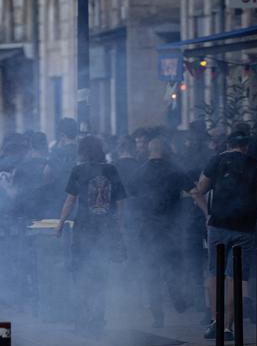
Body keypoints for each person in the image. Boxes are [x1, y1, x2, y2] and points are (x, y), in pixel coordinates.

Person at [190, 130, 257, 340]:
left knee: (215, 273)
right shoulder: (254, 164)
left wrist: (207, 213)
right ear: (246, 146)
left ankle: (215, 321)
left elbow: (197, 191)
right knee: (236, 277)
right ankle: (227, 326)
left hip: (218, 225)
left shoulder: (216, 161)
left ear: (227, 144)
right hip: (245, 227)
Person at [55, 135, 127, 335]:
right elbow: (120, 201)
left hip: (85, 228)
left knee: (82, 272)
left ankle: (85, 316)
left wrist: (61, 222)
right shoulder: (111, 169)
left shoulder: (78, 170)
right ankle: (98, 316)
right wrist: (120, 226)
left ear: (83, 151)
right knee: (101, 273)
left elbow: (70, 200)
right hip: (106, 228)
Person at [132, 137, 189, 327]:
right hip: (170, 229)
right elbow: (195, 191)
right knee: (172, 267)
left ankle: (158, 317)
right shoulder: (175, 170)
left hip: (146, 230)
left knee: (151, 274)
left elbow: (130, 199)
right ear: (165, 150)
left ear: (149, 150)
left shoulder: (139, 172)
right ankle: (178, 299)